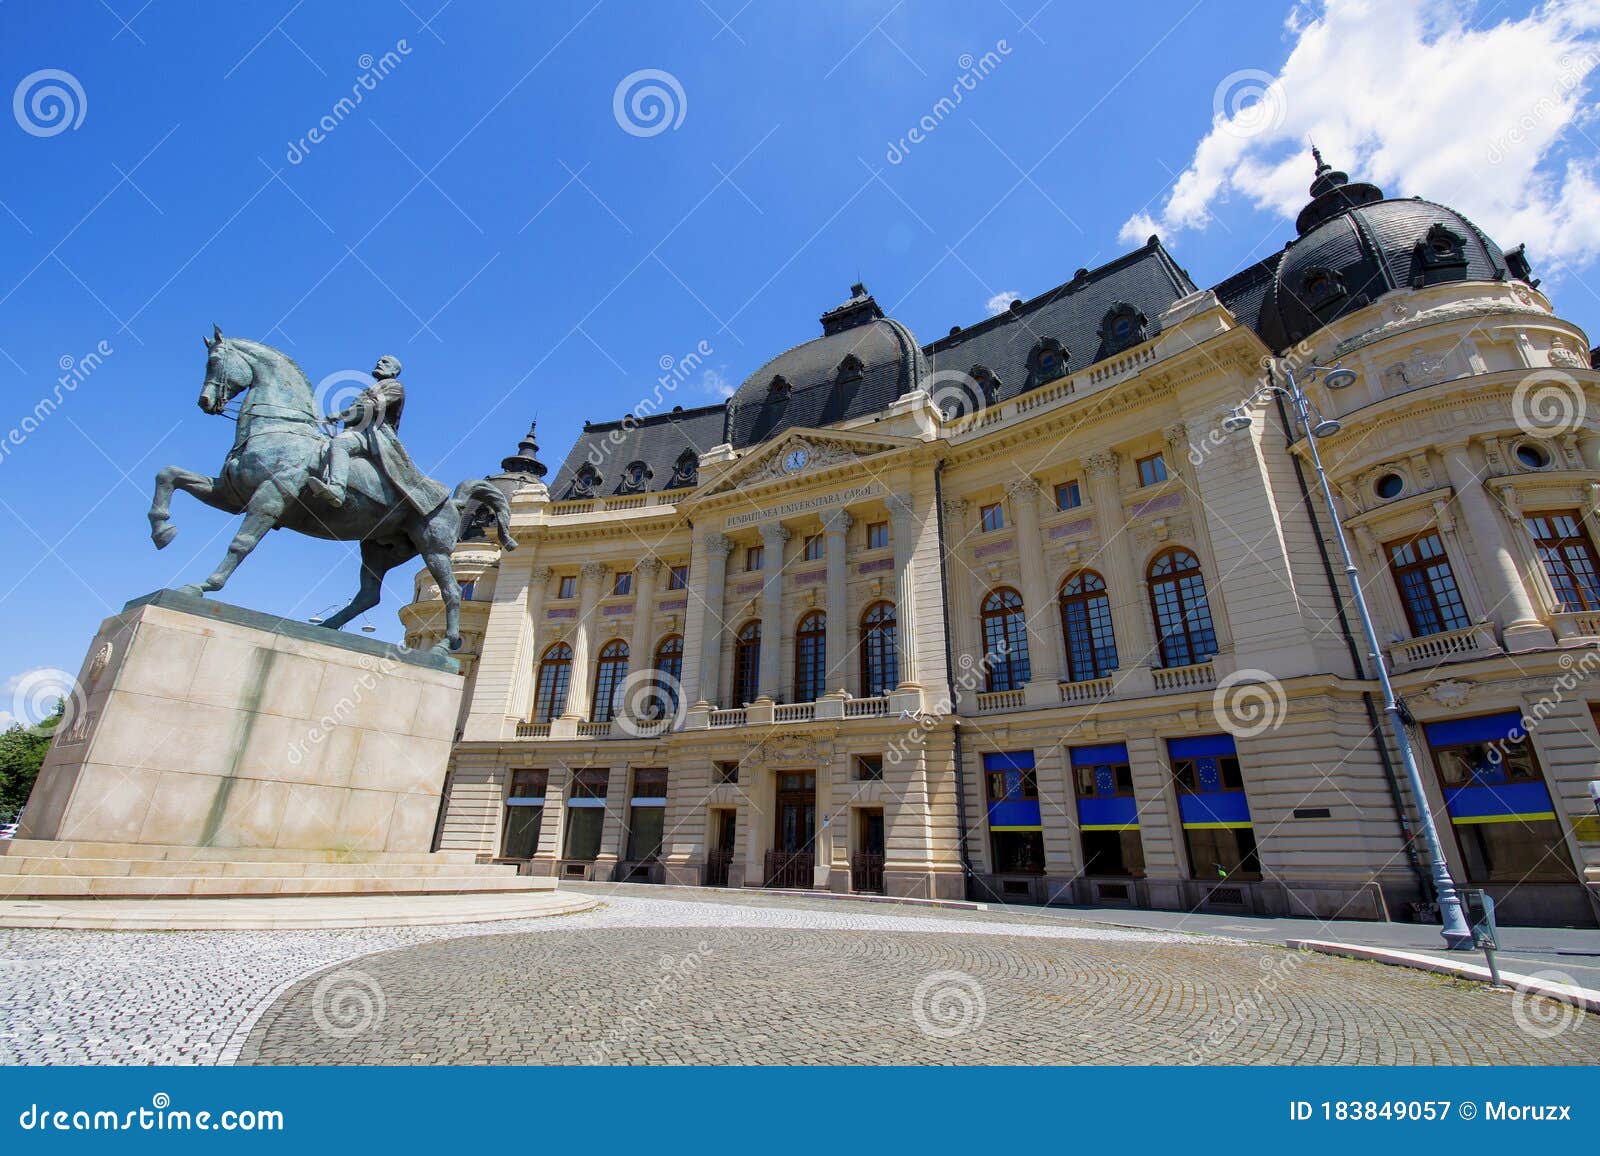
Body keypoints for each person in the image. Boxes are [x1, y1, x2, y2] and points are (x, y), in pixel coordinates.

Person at [309, 355, 442, 514]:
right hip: (357, 431)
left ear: (394, 371)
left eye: (385, 362)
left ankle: (337, 489)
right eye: (379, 361)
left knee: (339, 444)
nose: (379, 363)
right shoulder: (372, 388)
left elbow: (372, 407)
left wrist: (339, 415)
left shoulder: (395, 387)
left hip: (373, 435)